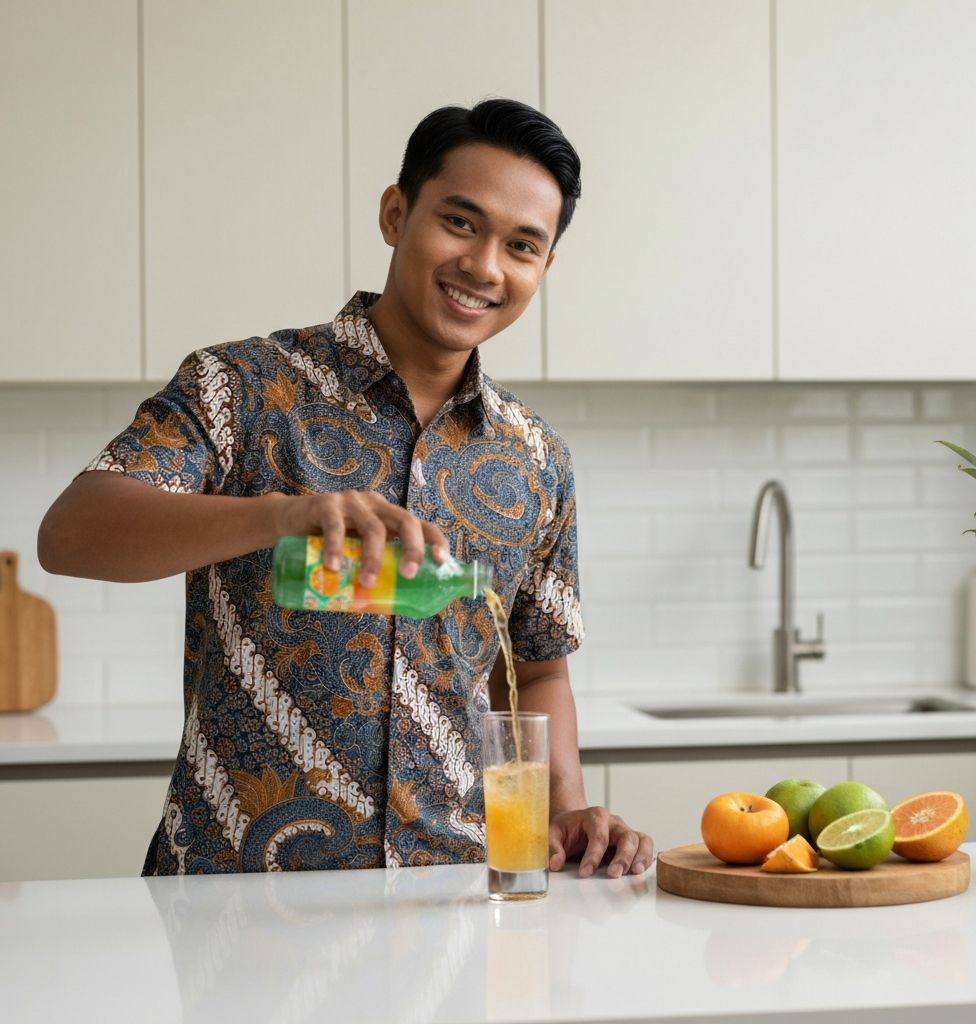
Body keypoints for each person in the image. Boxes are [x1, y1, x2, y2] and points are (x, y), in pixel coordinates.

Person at [38, 98, 653, 878]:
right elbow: (72, 533)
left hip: (454, 899)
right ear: (396, 213)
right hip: (238, 898)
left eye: (521, 245)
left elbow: (534, 670)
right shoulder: (242, 387)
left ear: (543, 268)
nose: (485, 267)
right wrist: (281, 514)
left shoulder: (538, 461)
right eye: (460, 223)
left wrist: (567, 811)